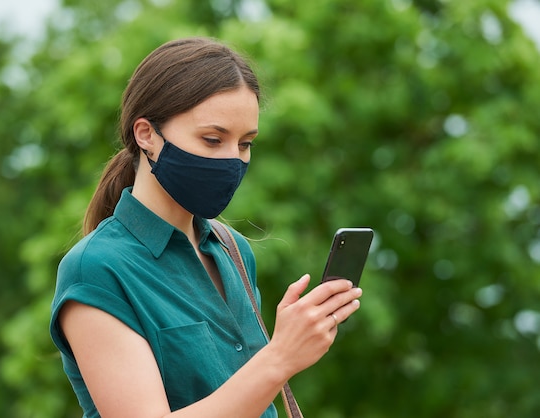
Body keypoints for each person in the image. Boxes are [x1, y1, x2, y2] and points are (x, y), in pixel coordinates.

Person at [50, 37, 363, 418]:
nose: (232, 160)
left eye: (245, 144)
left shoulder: (233, 249)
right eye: (212, 140)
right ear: (146, 134)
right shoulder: (96, 269)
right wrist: (280, 357)